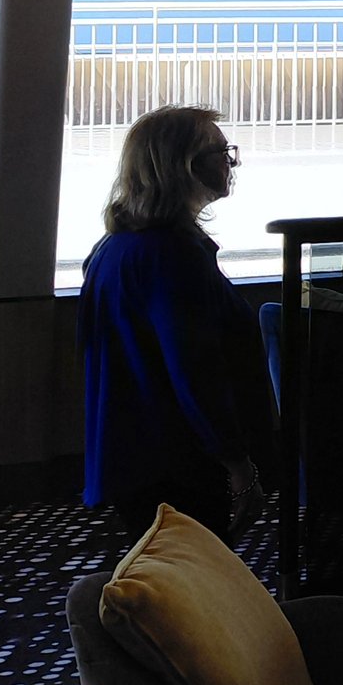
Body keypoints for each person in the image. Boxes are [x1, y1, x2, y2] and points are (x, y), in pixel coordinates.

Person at [79, 106, 277, 542]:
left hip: (135, 460)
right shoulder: (174, 256)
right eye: (221, 151)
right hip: (177, 467)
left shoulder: (114, 248)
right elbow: (196, 372)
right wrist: (237, 463)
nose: (231, 161)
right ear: (184, 165)